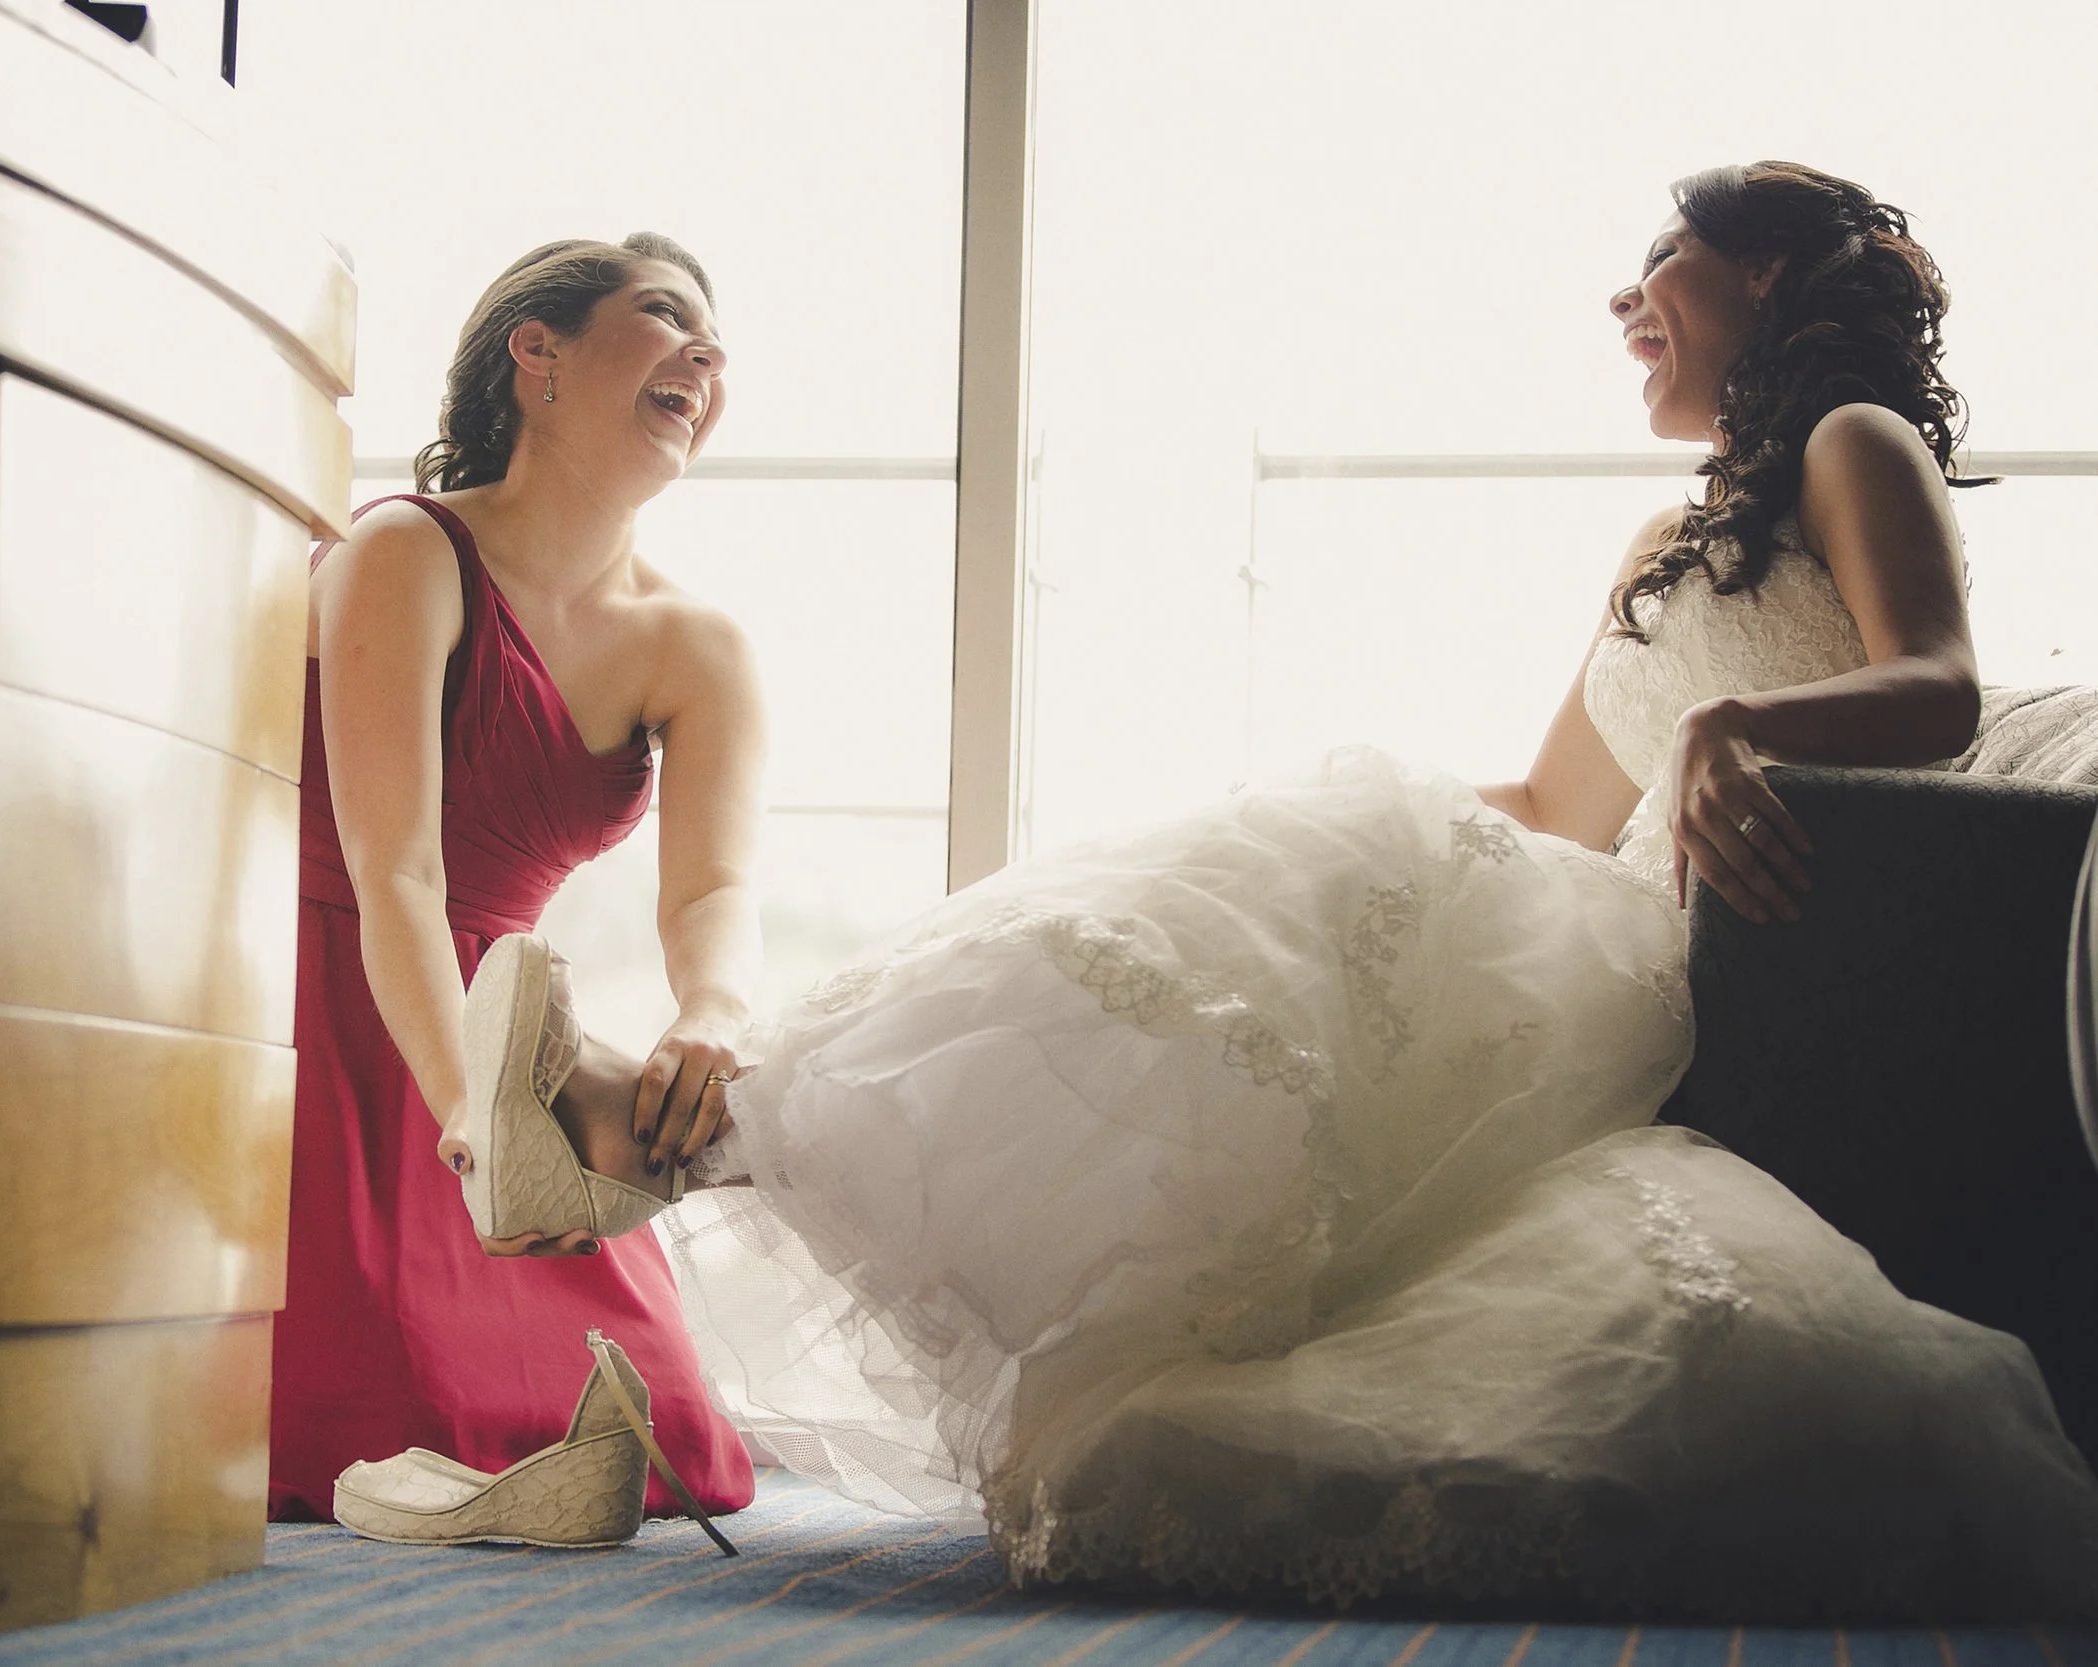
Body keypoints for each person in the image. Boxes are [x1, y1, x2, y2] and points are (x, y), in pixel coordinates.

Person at [458, 166, 2098, 1616]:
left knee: (1222, 1014)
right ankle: (702, 1129)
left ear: (1767, 276)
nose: (1624, 298)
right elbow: (1545, 799)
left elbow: (1939, 682)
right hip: (1583, 907)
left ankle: (664, 1135)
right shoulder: (1670, 537)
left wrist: (1745, 723)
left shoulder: (1851, 442)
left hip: (1666, 961)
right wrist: (1280, 816)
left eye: (1664, 254)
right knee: (1188, 935)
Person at [268, 233, 763, 1523]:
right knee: (382, 1408)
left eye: (715, 341)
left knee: (668, 1442)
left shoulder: (697, 646)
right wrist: (473, 1128)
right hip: (336, 999)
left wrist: (712, 1013)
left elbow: (713, 894)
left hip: (507, 1025)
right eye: (663, 319)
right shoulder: (406, 550)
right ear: (534, 355)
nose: (705, 356)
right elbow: (397, 875)